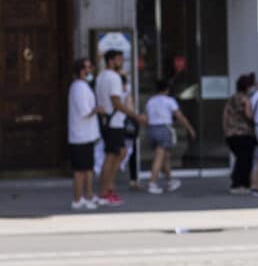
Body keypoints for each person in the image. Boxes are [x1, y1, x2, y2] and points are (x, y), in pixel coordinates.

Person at [94, 48, 140, 207]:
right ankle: (105, 192)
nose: (122, 62)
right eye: (119, 59)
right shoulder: (113, 77)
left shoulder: (101, 76)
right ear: (111, 61)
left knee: (119, 152)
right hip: (114, 122)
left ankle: (108, 188)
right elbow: (116, 102)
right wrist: (135, 115)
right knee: (112, 155)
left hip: (108, 121)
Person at [143, 79, 194, 194]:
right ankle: (152, 183)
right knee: (159, 157)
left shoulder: (150, 101)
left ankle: (170, 180)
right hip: (164, 128)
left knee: (165, 156)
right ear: (167, 89)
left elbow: (146, 117)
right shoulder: (169, 101)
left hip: (152, 128)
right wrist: (189, 128)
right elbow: (179, 116)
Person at [67, 58, 99, 212]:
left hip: (86, 135)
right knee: (81, 170)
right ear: (81, 71)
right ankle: (78, 199)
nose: (91, 70)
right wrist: (97, 110)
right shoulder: (78, 87)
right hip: (80, 136)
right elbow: (84, 111)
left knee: (88, 169)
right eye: (88, 67)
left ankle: (88, 195)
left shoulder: (83, 86)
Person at [224, 73, 257, 194]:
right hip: (243, 134)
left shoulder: (232, 98)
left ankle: (240, 183)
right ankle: (239, 184)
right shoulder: (244, 99)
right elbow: (249, 115)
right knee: (244, 160)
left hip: (231, 134)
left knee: (240, 159)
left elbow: (225, 116)